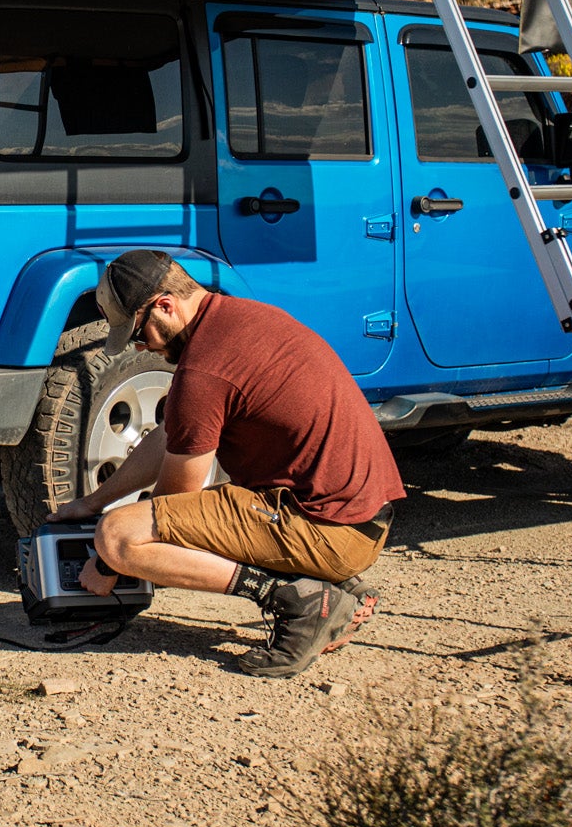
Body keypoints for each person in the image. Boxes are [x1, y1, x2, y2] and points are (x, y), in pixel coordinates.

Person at [48, 250, 405, 678]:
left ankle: (299, 600)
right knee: (156, 517)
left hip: (331, 529)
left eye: (140, 332)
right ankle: (335, 585)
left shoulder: (204, 369)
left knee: (120, 536)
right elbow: (169, 436)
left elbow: (175, 506)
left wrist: (108, 564)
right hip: (355, 517)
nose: (143, 346)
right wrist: (94, 502)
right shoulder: (238, 320)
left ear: (166, 305)